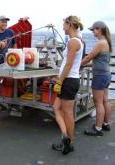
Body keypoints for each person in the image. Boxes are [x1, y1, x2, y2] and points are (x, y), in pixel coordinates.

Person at [52, 16, 84, 155]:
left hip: (69, 81)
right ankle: (65, 137)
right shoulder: (75, 41)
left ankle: (69, 143)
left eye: (64, 24)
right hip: (67, 80)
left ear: (69, 24)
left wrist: (60, 81)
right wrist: (59, 78)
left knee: (68, 113)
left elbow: (69, 64)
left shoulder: (73, 42)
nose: (62, 27)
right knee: (56, 108)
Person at [81, 21, 112, 136]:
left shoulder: (100, 43)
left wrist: (78, 64)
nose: (92, 32)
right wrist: (86, 64)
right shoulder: (106, 42)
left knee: (98, 102)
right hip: (106, 74)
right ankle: (106, 124)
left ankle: (97, 129)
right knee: (104, 100)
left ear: (99, 29)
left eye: (93, 29)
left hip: (100, 76)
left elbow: (88, 57)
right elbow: (99, 61)